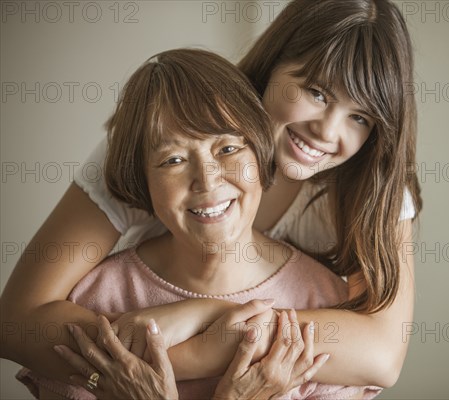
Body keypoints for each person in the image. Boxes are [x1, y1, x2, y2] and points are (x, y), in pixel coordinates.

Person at [1, 0, 422, 393]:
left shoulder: (376, 184)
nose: (328, 132)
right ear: (274, 65)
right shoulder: (164, 128)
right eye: (317, 92)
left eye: (360, 117)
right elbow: (17, 320)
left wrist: (205, 328)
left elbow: (382, 355)